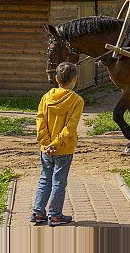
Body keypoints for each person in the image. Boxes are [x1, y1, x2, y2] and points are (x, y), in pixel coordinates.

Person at [30, 62, 84, 226]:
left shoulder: (46, 98)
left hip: (45, 149)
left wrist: (46, 142)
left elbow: (40, 120)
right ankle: (54, 215)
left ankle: (38, 213)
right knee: (59, 181)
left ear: (56, 79)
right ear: (75, 79)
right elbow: (71, 126)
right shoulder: (77, 101)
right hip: (63, 148)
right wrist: (56, 143)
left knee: (45, 178)